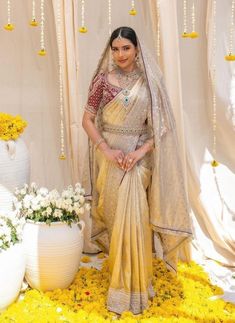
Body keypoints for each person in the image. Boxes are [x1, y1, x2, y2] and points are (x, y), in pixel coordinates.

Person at [82, 26, 192, 315]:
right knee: (117, 219)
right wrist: (107, 150)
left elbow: (163, 127)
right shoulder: (103, 82)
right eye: (115, 49)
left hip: (138, 162)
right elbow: (88, 120)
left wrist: (138, 153)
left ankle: (136, 287)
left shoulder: (150, 83)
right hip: (110, 160)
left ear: (137, 49)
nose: (120, 54)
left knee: (136, 222)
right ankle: (120, 283)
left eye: (126, 48)